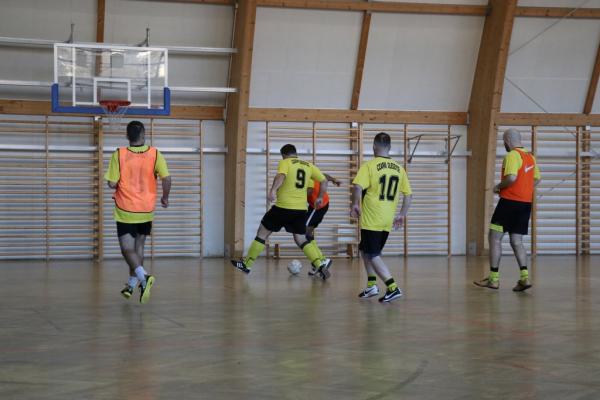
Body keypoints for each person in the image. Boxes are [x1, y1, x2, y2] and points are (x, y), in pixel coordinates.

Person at [231, 144, 332, 279]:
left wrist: (273, 190)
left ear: (284, 155)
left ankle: (247, 264)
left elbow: (281, 176)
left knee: (263, 231)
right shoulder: (308, 165)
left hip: (283, 207)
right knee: (301, 238)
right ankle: (319, 264)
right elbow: (323, 180)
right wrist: (319, 197)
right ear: (295, 153)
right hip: (301, 210)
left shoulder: (286, 162)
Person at [105, 121, 171, 303]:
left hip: (126, 209)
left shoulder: (119, 154)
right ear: (143, 135)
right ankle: (131, 284)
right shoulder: (155, 154)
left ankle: (144, 278)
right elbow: (167, 179)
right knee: (138, 247)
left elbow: (111, 183)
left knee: (127, 249)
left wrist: (117, 181)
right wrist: (165, 198)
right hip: (146, 209)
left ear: (127, 136)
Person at [474, 128, 541, 292]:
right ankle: (525, 278)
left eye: (504, 141)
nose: (504, 144)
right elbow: (537, 179)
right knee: (516, 241)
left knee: (494, 237)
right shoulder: (530, 157)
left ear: (508, 141)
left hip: (509, 204)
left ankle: (493, 279)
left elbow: (511, 177)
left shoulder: (512, 155)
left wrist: (498, 187)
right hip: (525, 205)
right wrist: (523, 190)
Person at [351, 132, 412, 303]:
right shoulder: (399, 168)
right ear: (390, 147)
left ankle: (392, 287)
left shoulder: (369, 166)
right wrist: (402, 215)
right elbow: (408, 195)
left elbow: (357, 187)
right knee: (365, 250)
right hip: (386, 219)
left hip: (372, 218)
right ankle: (372, 285)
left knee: (373, 254)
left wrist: (355, 204)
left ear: (373, 146)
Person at [306, 174, 341, 276]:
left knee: (305, 232)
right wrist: (334, 179)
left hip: (319, 206)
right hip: (314, 205)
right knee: (307, 233)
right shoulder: (309, 171)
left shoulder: (307, 173)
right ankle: (318, 261)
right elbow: (323, 176)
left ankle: (321, 260)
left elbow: (309, 191)